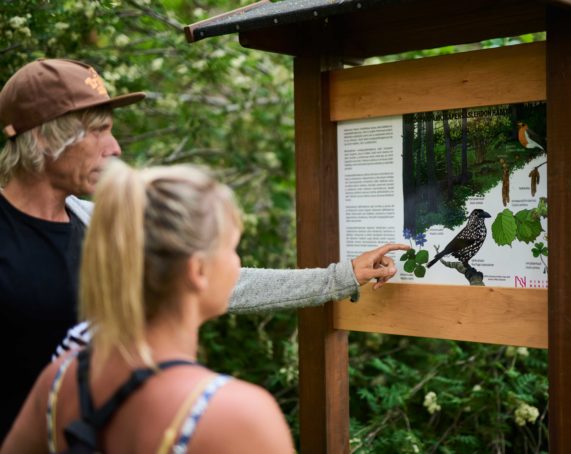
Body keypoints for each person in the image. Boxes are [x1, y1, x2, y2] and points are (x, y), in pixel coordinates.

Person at [0, 58, 409, 441]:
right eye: (97, 129)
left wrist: (341, 277)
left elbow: (221, 281)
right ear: (43, 135)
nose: (115, 147)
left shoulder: (101, 223)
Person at [2, 159, 296, 453]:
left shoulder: (60, 379)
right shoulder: (237, 416)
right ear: (198, 271)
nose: (237, 263)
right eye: (231, 248)